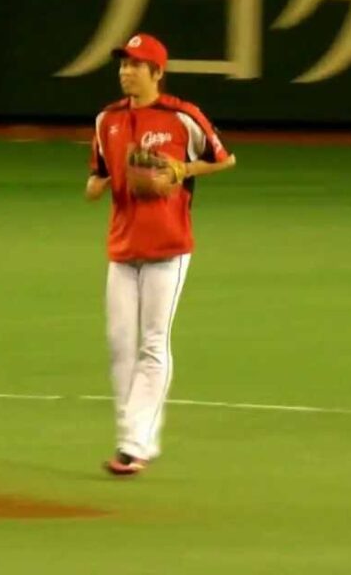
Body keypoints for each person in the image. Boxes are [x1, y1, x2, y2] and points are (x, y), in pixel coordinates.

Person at [84, 33, 237, 476]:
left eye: (135, 64)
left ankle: (133, 446)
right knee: (119, 346)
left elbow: (224, 159)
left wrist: (182, 168)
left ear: (157, 72)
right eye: (123, 64)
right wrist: (95, 187)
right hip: (122, 246)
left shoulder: (182, 116)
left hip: (168, 248)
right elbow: (99, 176)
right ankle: (133, 435)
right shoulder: (106, 120)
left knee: (152, 343)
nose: (126, 71)